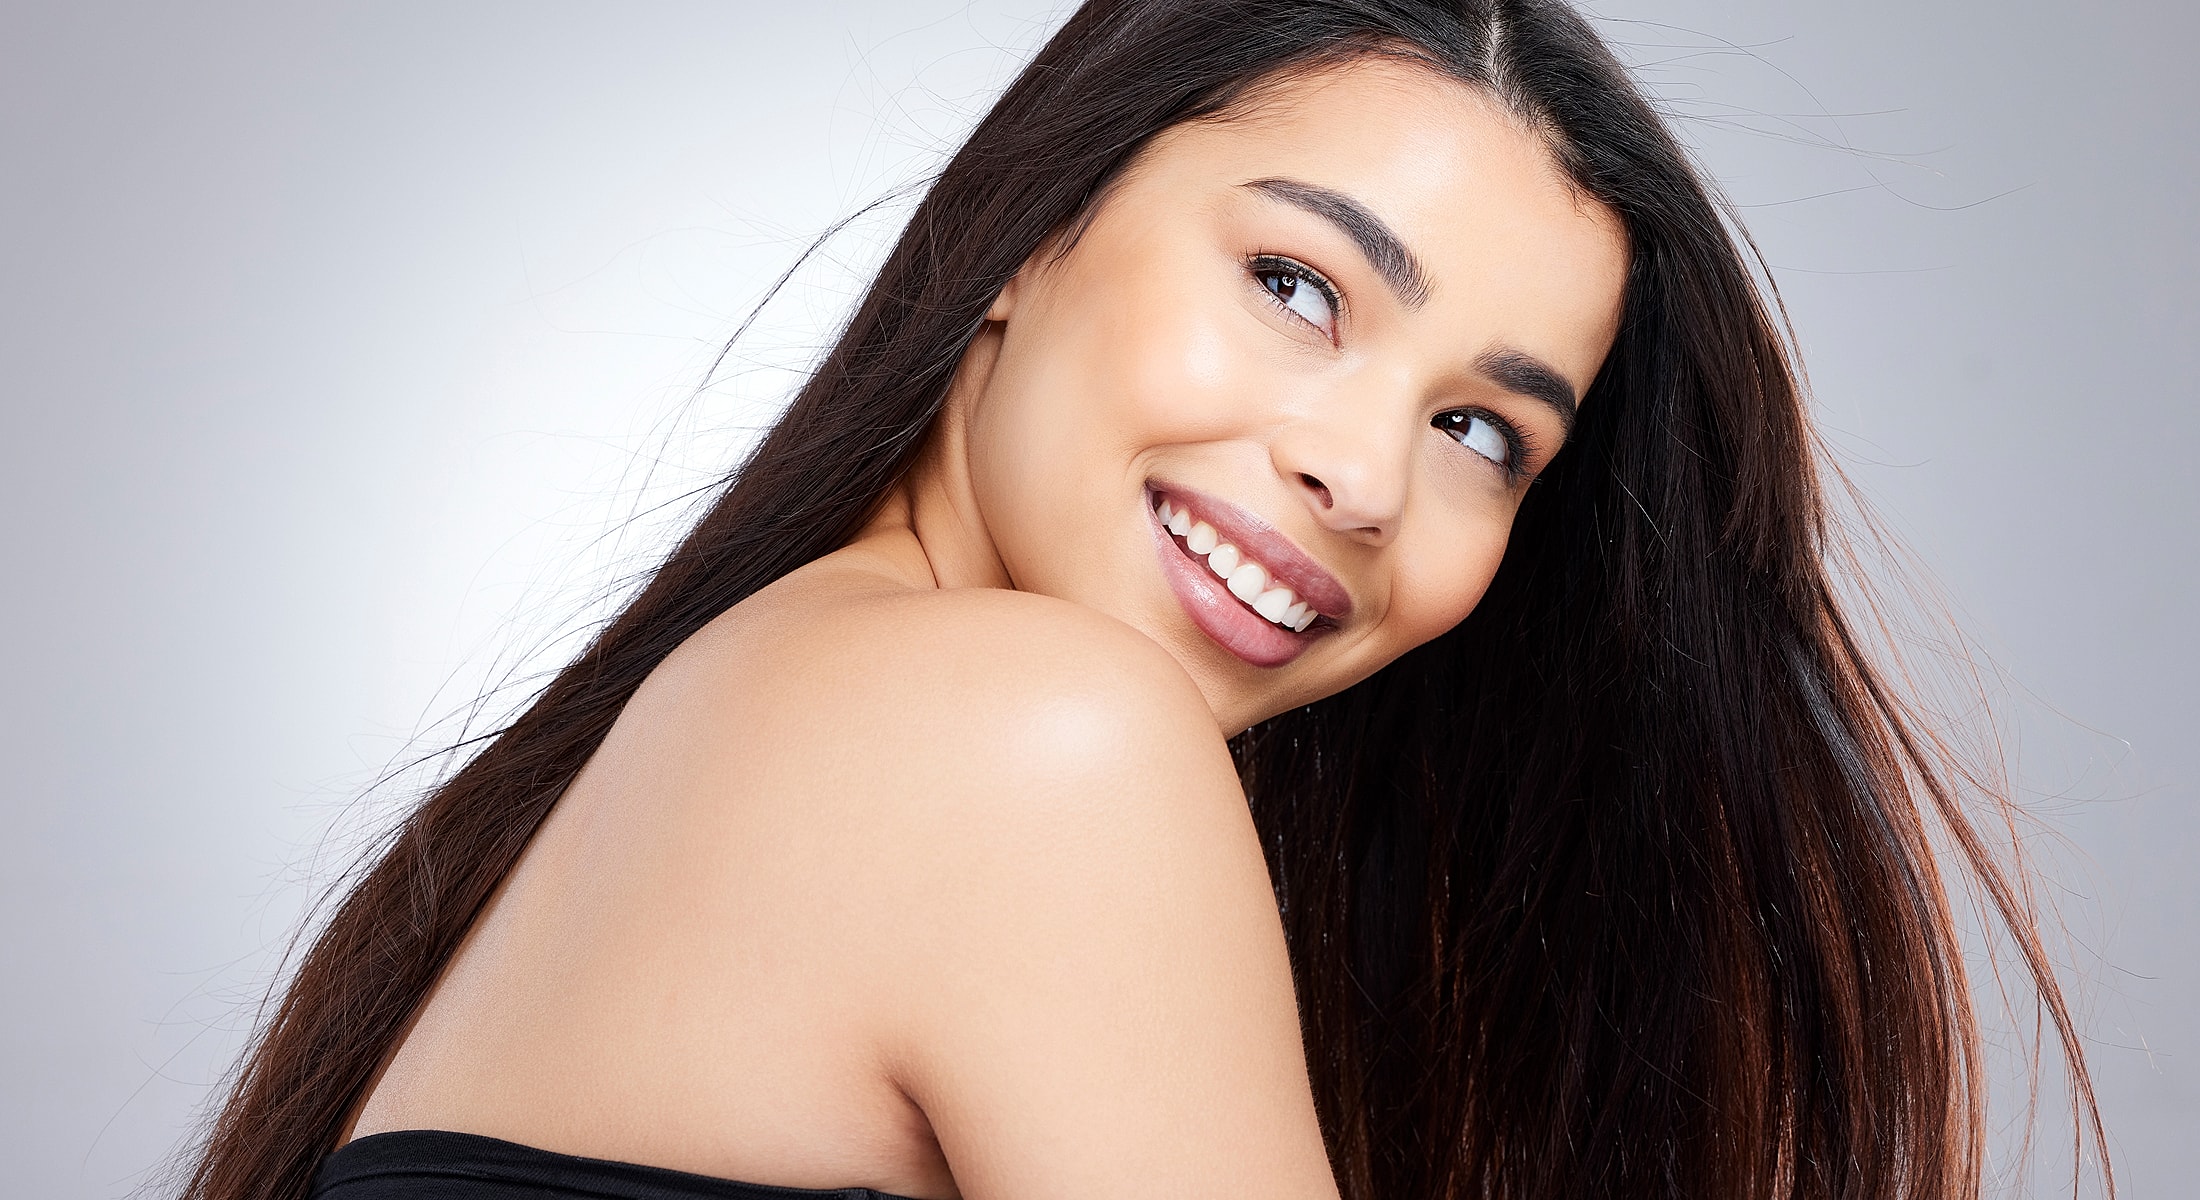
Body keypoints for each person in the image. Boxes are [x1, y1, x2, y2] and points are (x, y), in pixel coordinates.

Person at [180, 2, 2108, 1198]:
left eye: (1479, 431)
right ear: (1032, 221)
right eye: (1297, 287)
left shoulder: (751, 698)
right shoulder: (1029, 739)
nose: (1363, 473)